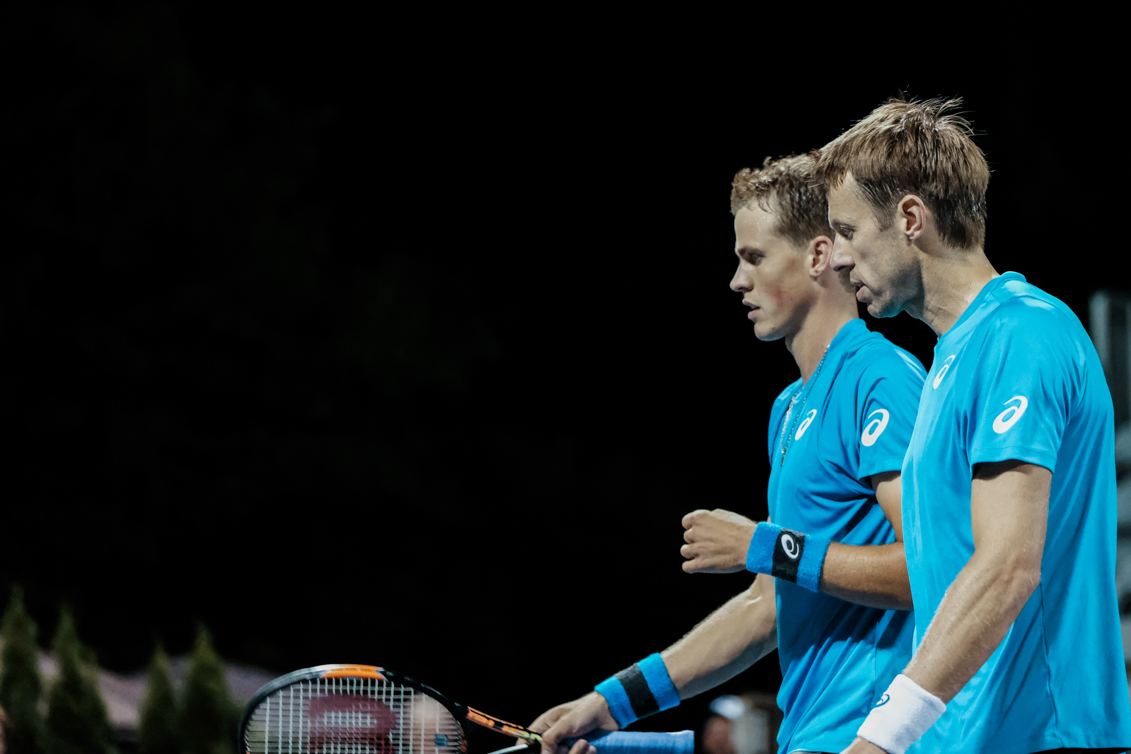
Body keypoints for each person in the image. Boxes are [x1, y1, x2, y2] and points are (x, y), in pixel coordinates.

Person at [528, 154, 928, 754]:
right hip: (809, 735)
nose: (737, 281)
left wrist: (761, 545)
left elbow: (926, 569)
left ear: (818, 255)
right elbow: (766, 608)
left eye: (754, 257)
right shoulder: (789, 409)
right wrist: (609, 706)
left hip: (877, 735)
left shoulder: (881, 378)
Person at [818, 97, 1131, 754]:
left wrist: (876, 740)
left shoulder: (1021, 333)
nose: (838, 260)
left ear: (910, 218)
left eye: (846, 230)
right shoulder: (952, 359)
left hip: (1043, 739)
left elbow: (1008, 566)